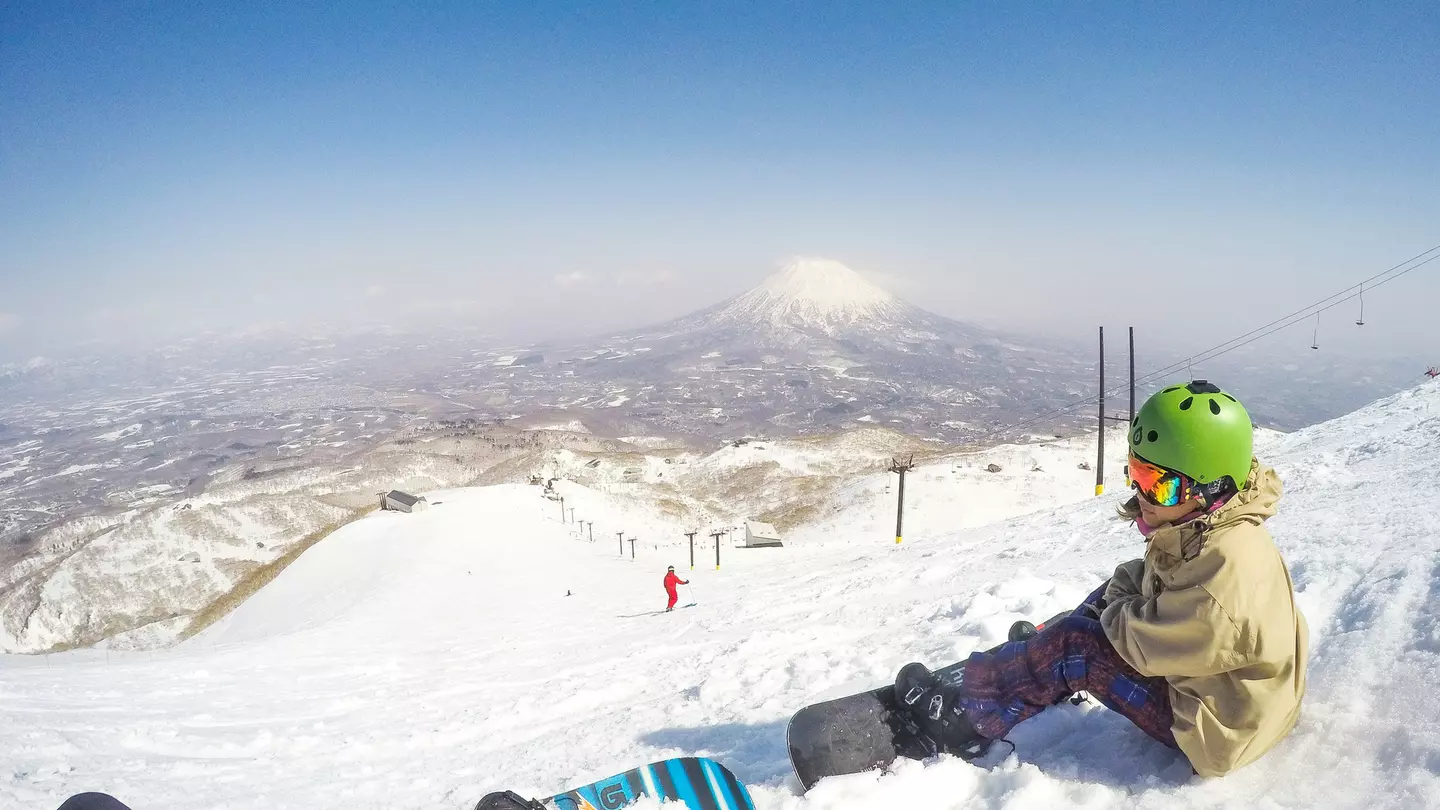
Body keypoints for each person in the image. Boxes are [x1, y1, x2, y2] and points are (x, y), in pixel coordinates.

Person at [895, 380, 1309, 777]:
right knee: (1105, 602)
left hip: (1218, 732)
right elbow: (1148, 584)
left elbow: (1139, 644)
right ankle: (1039, 666)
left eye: (1160, 487)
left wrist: (1085, 630)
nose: (1142, 496)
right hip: (1232, 694)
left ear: (1210, 488)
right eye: (1138, 474)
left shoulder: (1222, 580)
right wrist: (1109, 604)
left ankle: (964, 718)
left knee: (1079, 646)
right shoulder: (1214, 524)